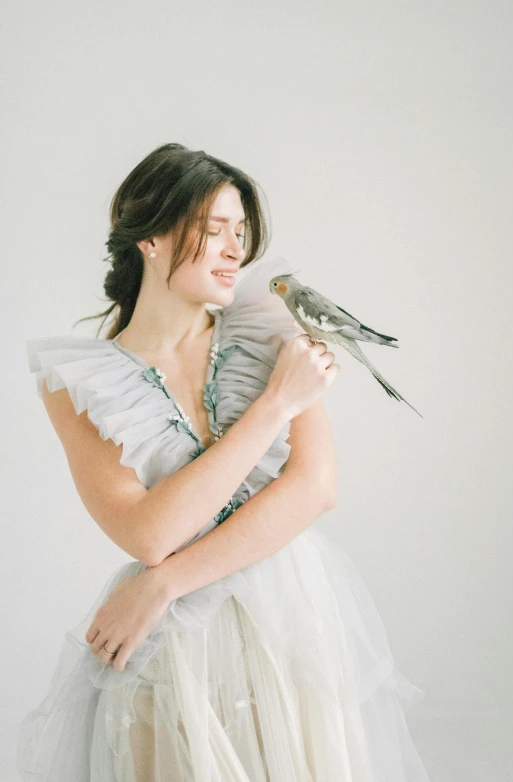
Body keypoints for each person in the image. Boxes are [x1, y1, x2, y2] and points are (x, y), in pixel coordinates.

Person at [17, 143, 430, 781]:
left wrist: (162, 584)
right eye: (213, 232)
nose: (235, 249)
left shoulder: (269, 329)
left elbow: (315, 488)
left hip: (292, 617)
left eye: (240, 232)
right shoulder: (81, 382)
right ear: (149, 239)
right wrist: (274, 407)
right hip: (172, 643)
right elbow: (149, 532)